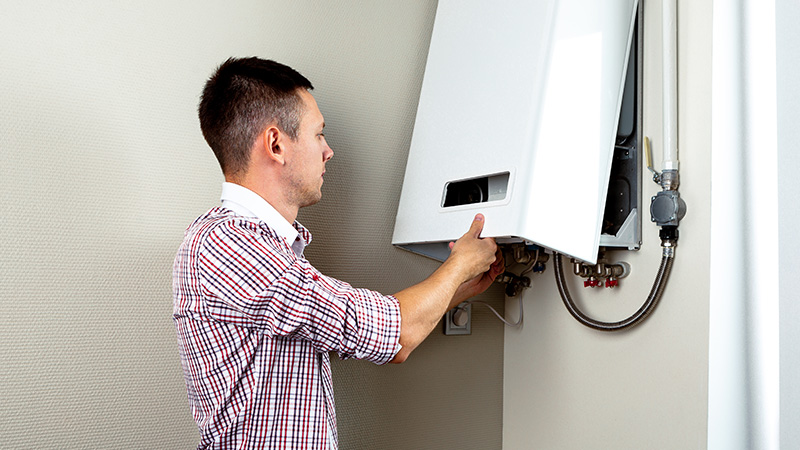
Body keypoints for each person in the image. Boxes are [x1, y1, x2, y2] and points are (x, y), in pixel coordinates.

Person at [173, 57, 503, 450]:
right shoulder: (230, 246)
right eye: (318, 135)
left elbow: (370, 337)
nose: (328, 151)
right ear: (275, 144)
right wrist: (459, 264)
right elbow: (396, 333)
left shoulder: (265, 247)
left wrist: (458, 286)